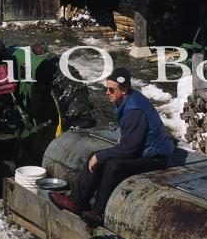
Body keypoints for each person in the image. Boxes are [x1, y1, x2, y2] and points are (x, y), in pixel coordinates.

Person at [49, 66, 174, 227]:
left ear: (124, 89)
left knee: (112, 165)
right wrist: (126, 137)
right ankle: (76, 202)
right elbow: (134, 134)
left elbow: (130, 149)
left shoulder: (133, 110)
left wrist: (100, 156)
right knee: (95, 156)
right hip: (143, 150)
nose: (107, 93)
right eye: (106, 89)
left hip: (154, 158)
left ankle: (98, 213)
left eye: (111, 90)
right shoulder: (126, 99)